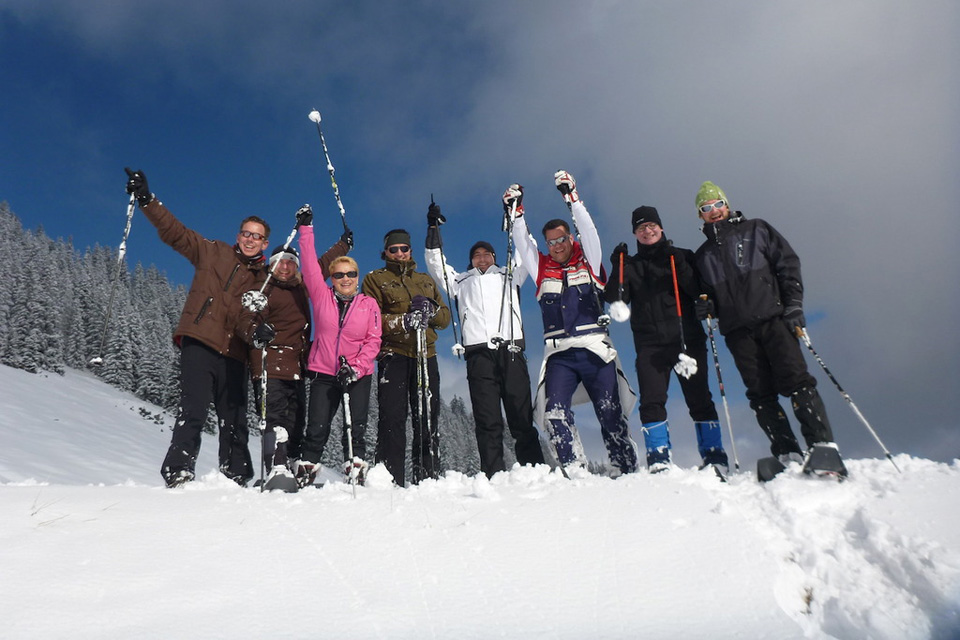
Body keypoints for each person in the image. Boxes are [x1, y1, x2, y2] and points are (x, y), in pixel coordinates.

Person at [125, 168, 267, 487]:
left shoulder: (263, 281)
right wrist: (147, 199)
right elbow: (175, 232)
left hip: (234, 353)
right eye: (246, 233)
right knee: (193, 409)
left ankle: (236, 475)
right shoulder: (212, 251)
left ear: (264, 243)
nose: (249, 239)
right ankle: (179, 469)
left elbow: (252, 318)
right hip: (200, 341)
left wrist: (257, 332)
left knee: (234, 419)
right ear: (238, 235)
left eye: (256, 236)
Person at [692, 181, 841, 466]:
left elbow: (787, 264)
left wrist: (794, 304)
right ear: (700, 215)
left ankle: (821, 445)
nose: (714, 211)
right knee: (760, 394)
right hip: (738, 332)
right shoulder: (703, 256)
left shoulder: (757, 230)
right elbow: (706, 294)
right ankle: (787, 452)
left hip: (773, 319)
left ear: (727, 204)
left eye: (717, 204)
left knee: (797, 381)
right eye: (706, 208)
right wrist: (706, 307)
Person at [508, 172, 639, 476]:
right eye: (551, 242)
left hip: (594, 347)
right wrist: (516, 213)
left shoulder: (588, 261)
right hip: (560, 353)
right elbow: (522, 243)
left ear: (570, 238)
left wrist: (572, 198)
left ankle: (625, 467)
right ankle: (573, 468)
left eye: (562, 239)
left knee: (609, 411)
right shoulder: (541, 268)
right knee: (554, 414)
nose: (556, 245)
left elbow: (589, 231)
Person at [422, 201, 545, 478]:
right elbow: (435, 263)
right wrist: (433, 229)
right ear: (471, 260)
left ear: (494, 256)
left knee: (520, 415)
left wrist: (515, 220)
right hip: (478, 354)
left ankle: (536, 470)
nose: (482, 258)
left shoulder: (510, 275)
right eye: (476, 255)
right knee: (487, 418)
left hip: (511, 350)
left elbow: (527, 252)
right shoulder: (460, 281)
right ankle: (493, 473)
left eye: (486, 253)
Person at [604, 206, 728, 474]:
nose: (647, 231)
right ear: (635, 233)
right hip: (650, 345)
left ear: (660, 227)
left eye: (651, 226)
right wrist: (618, 265)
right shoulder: (631, 265)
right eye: (640, 228)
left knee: (699, 399)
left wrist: (682, 266)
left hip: (687, 340)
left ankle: (714, 455)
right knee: (651, 401)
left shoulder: (682, 256)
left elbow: (699, 291)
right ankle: (658, 457)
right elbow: (616, 298)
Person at [296, 205, 381, 486]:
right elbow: (309, 265)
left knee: (355, 428)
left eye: (351, 274)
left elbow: (373, 341)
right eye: (339, 275)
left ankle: (355, 471)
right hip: (323, 373)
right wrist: (305, 229)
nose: (345, 279)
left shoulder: (368, 305)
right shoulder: (321, 297)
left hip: (357, 376)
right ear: (331, 279)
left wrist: (355, 368)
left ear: (357, 277)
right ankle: (307, 470)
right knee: (317, 426)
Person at [361, 228, 451, 486]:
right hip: (394, 355)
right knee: (392, 417)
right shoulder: (375, 279)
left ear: (410, 251)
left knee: (427, 415)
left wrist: (430, 311)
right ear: (386, 252)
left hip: (426, 355)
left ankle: (428, 477)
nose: (400, 253)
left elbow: (445, 318)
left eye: (404, 248)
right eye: (394, 249)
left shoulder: (424, 280)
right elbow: (372, 319)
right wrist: (404, 321)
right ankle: (390, 478)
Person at [237, 243, 311, 485]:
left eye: (291, 261)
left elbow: (319, 267)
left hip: (296, 365)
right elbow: (245, 318)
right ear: (272, 263)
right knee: (275, 417)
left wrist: (343, 243)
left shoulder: (300, 288)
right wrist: (256, 332)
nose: (286, 266)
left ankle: (290, 464)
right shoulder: (263, 287)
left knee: (296, 420)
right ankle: (275, 466)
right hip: (270, 360)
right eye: (281, 261)